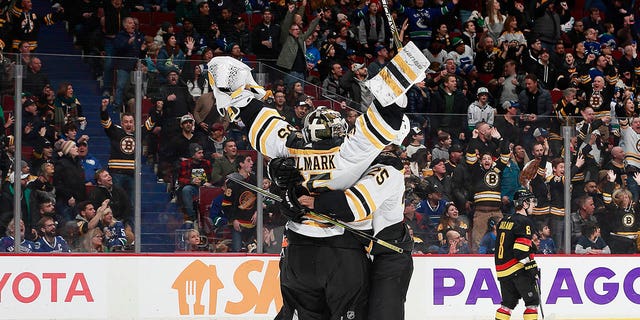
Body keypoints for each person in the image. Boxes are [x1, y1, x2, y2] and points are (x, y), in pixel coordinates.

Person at [207, 55, 416, 319]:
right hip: (344, 254)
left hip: (296, 253)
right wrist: (401, 73)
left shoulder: (290, 145)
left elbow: (259, 120)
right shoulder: (353, 154)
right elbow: (385, 118)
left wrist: (232, 95)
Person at [494, 189, 541, 320]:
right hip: (517, 269)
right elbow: (519, 251)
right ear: (524, 203)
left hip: (502, 271)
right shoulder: (524, 221)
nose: (534, 205)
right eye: (532, 201)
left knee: (507, 305)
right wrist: (531, 266)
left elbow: (508, 243)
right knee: (532, 303)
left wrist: (530, 246)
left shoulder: (504, 220)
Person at [100, 98, 136, 201]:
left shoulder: (138, 134)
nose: (128, 124)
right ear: (122, 123)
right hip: (117, 172)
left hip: (132, 173)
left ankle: (130, 218)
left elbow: (149, 125)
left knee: (132, 203)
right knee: (117, 200)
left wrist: (158, 110)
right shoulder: (115, 131)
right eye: (126, 122)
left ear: (134, 123)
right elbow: (106, 122)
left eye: (131, 122)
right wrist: (103, 110)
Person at [222, 154, 256, 252]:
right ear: (241, 164)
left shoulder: (254, 179)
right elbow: (226, 204)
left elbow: (259, 198)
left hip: (253, 223)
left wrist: (258, 212)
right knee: (237, 251)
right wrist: (233, 220)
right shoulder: (232, 181)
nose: (252, 163)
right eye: (248, 160)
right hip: (238, 223)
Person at [177, 143, 212, 224]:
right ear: (193, 155)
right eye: (199, 153)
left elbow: (212, 177)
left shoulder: (207, 163)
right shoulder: (185, 164)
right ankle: (192, 217)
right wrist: (191, 181)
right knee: (186, 190)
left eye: (202, 152)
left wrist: (209, 183)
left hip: (206, 188)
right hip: (193, 188)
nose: (202, 155)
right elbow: (180, 180)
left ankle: (207, 218)